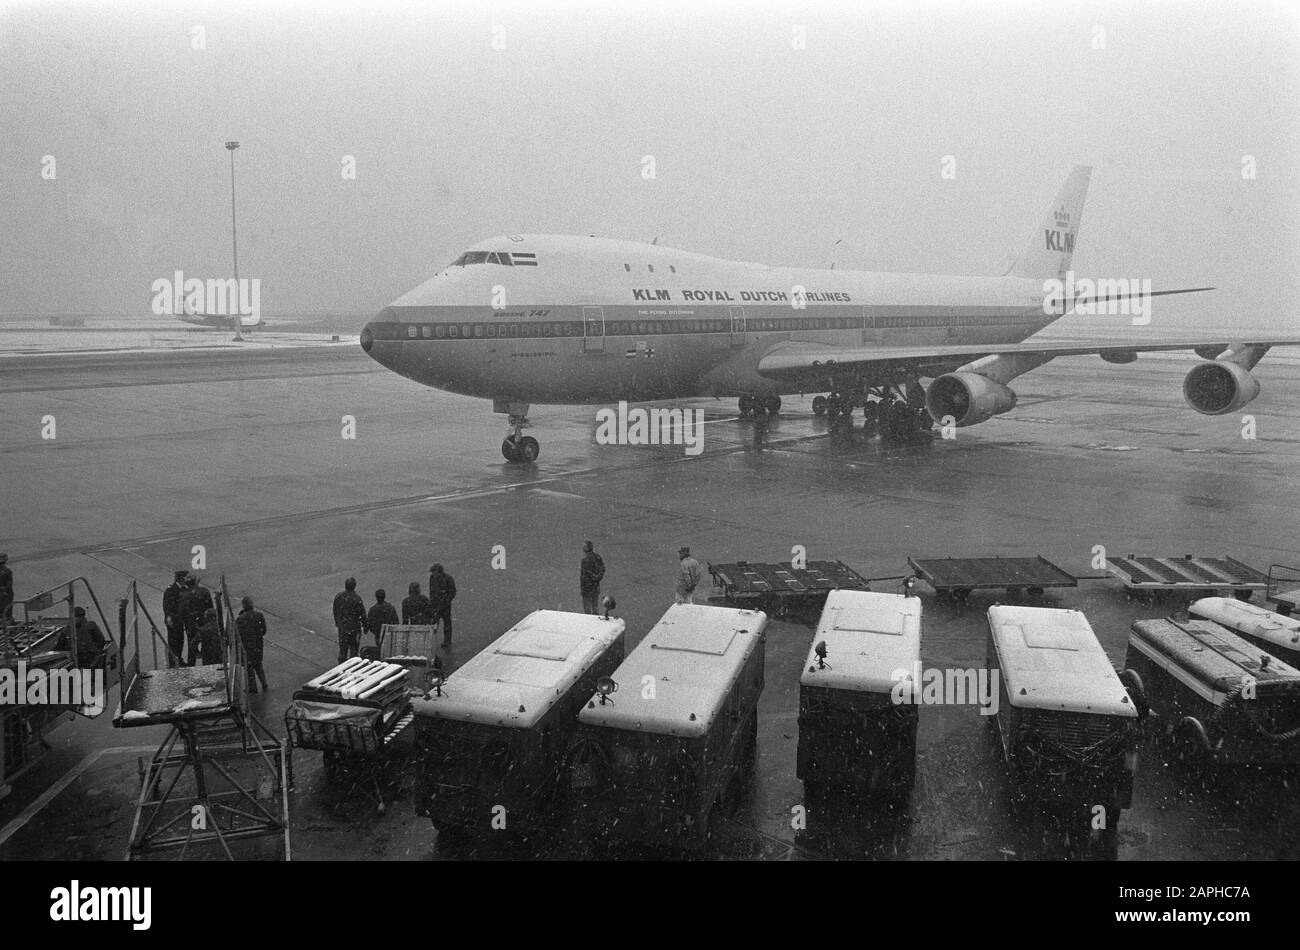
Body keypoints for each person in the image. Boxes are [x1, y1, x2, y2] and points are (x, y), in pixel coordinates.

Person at [235, 596, 269, 693]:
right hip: (258, 644)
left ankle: (252, 687)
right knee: (258, 664)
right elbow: (264, 630)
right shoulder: (259, 615)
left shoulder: (240, 619)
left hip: (247, 646)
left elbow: (237, 635)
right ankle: (264, 682)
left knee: (249, 666)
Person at [180, 574, 214, 667]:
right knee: (206, 646)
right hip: (204, 623)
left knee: (192, 647)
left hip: (190, 624)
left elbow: (182, 612)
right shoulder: (204, 591)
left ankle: (191, 667)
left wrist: (186, 622)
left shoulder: (183, 595)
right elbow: (210, 608)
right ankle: (207, 666)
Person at [332, 577, 367, 664]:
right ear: (354, 586)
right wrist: (365, 625)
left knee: (343, 650)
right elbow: (362, 613)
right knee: (354, 650)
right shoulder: (357, 598)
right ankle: (352, 668)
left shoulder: (339, 597)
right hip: (354, 628)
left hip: (343, 627)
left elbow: (335, 611)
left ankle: (341, 667)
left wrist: (338, 622)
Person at [162, 569, 188, 668]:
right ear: (181, 579)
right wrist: (168, 617)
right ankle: (172, 661)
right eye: (185, 578)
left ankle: (178, 658)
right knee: (173, 640)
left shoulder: (183, 589)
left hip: (180, 619)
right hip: (173, 620)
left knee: (180, 639)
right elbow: (167, 605)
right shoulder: (171, 590)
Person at [428, 564, 457, 647]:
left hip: (445, 606)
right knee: (433, 624)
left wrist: (447, 600)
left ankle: (447, 641)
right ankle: (431, 641)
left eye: (434, 572)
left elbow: (453, 592)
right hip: (435, 605)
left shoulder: (448, 578)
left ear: (439, 572)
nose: (433, 574)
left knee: (447, 623)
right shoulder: (432, 578)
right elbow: (432, 591)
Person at [580, 541, 605, 615]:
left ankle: (589, 624)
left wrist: (593, 578)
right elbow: (602, 569)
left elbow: (586, 574)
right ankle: (596, 622)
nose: (582, 547)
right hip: (595, 587)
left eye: (584, 546)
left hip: (586, 588)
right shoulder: (598, 557)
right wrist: (597, 578)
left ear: (587, 547)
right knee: (595, 607)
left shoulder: (585, 560)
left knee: (587, 609)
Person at [0, 552, 13, 623]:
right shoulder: (7, 571)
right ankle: (7, 619)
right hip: (5, 593)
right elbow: (9, 585)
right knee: (7, 608)